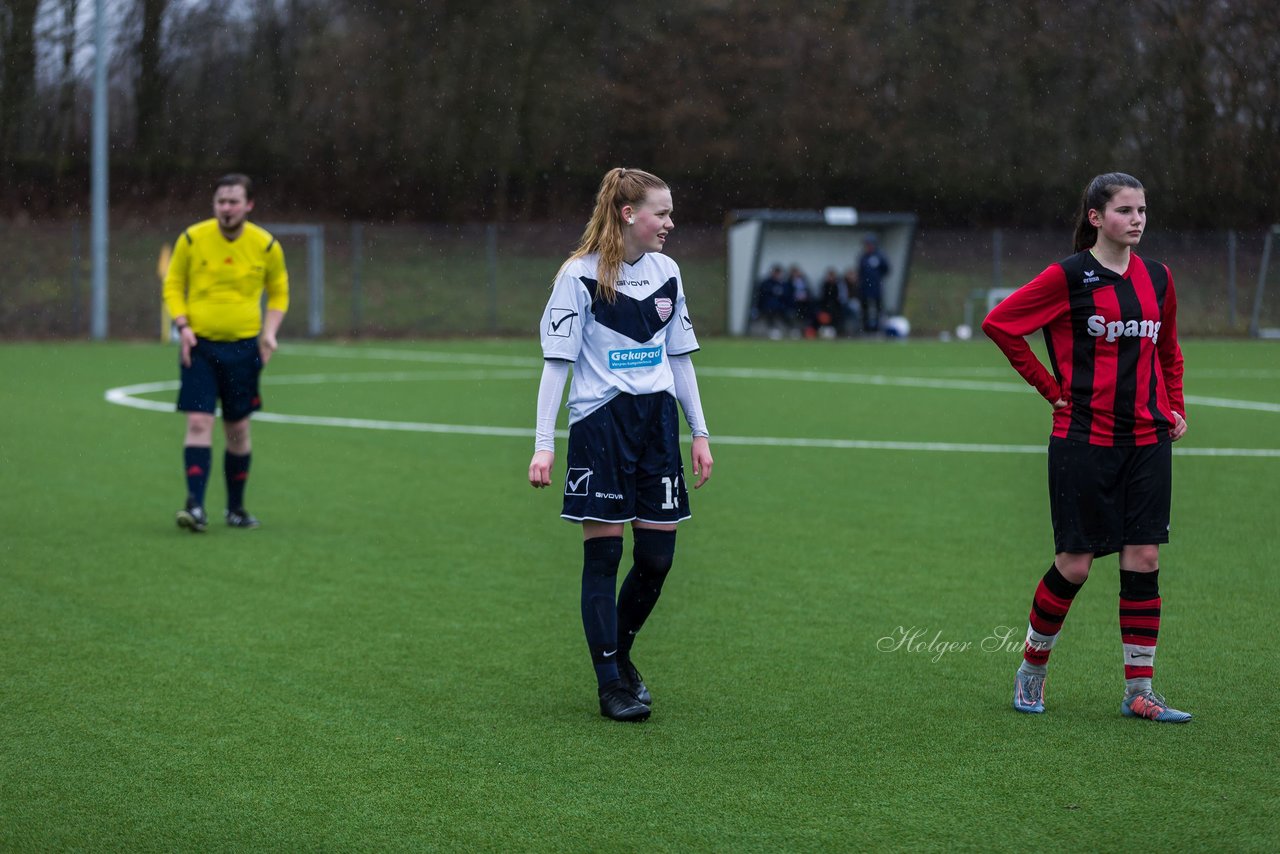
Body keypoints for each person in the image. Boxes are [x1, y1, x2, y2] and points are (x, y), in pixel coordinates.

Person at [982, 172, 1191, 723]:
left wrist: (1176, 405)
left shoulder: (1160, 279)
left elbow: (1169, 350)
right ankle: (1032, 670)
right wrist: (1051, 390)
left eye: (1142, 210)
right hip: (1084, 441)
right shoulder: (1068, 277)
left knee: (1143, 558)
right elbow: (1000, 324)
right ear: (1096, 217)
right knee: (1074, 565)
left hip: (1147, 440)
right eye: (1125, 210)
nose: (1138, 219)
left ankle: (1140, 690)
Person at [528, 167, 714, 723]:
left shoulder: (667, 271)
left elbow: (679, 357)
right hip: (600, 425)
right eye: (662, 212)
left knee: (657, 558)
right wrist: (544, 445)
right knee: (606, 556)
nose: (670, 223)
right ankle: (610, 683)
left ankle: (621, 651)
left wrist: (699, 432)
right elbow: (556, 365)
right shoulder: (578, 276)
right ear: (629, 215)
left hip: (656, 424)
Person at [162, 173, 289, 533]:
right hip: (198, 346)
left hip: (245, 348)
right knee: (199, 421)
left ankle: (235, 509)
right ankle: (196, 506)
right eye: (221, 201)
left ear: (248, 205)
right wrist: (183, 326)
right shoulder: (192, 238)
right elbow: (173, 284)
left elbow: (279, 292)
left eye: (234, 201)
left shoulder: (265, 246)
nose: (226, 208)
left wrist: (269, 334)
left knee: (237, 429)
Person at [856, 235, 889, 333]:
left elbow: (886, 269)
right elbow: (860, 271)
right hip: (865, 288)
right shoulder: (863, 257)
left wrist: (876, 278)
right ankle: (866, 329)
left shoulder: (880, 256)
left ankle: (877, 328)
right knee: (865, 309)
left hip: (876, 287)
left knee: (878, 308)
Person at [753, 263, 793, 336]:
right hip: (768, 306)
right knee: (770, 310)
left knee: (787, 312)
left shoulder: (784, 284)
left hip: (781, 306)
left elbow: (787, 296)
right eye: (776, 273)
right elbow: (762, 296)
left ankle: (791, 329)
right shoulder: (766, 283)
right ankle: (772, 329)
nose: (777, 275)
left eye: (779, 273)